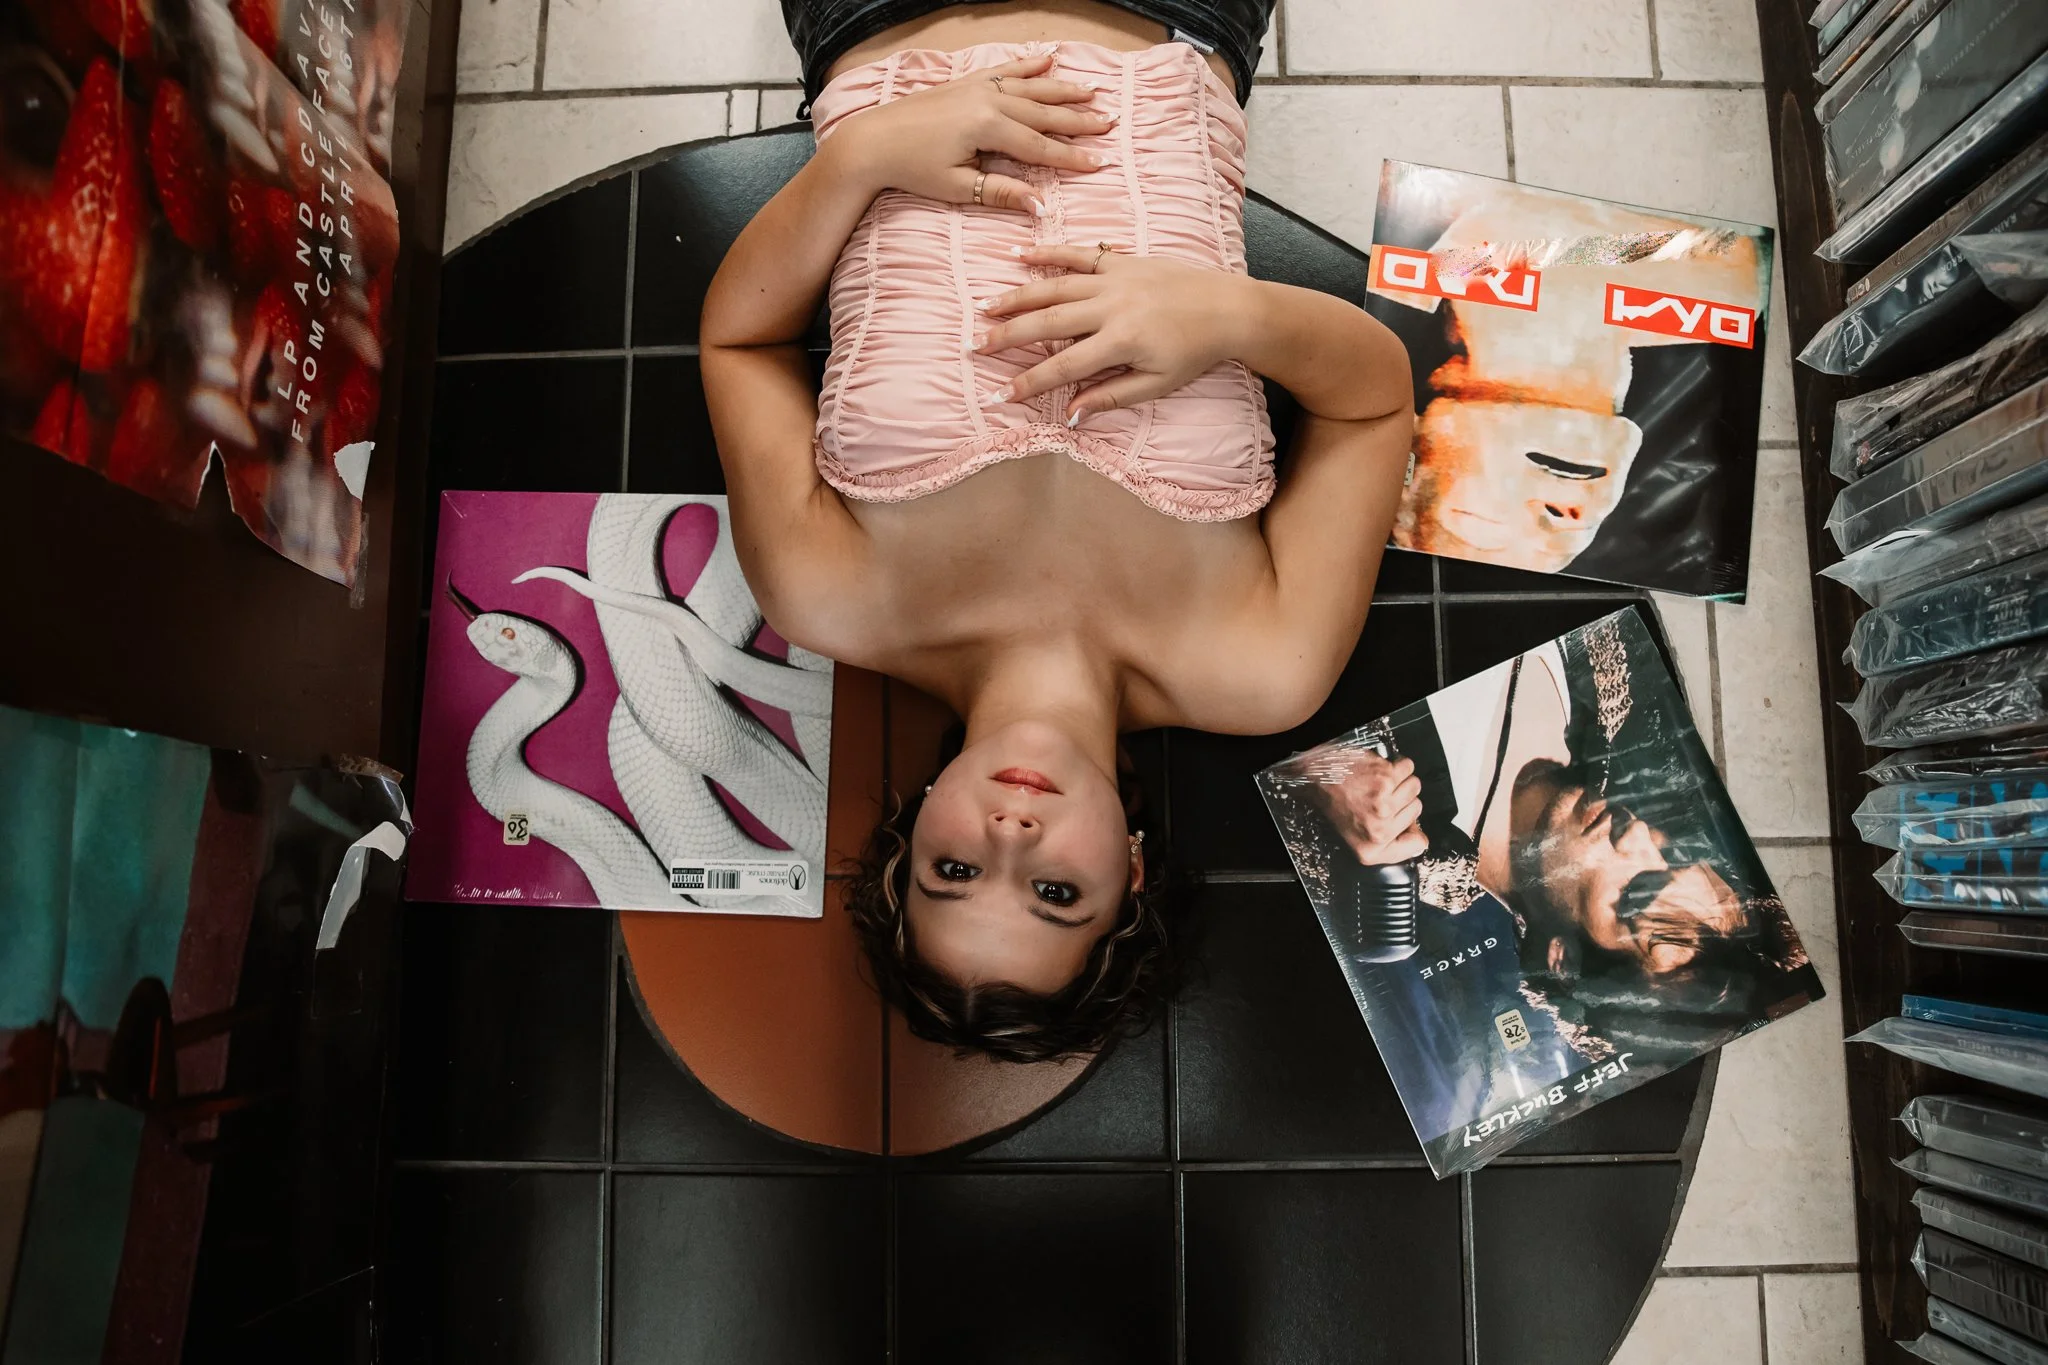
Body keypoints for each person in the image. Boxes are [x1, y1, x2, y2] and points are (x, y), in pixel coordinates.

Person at [702, 0, 1414, 1061]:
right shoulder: (1262, 666)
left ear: (902, 846)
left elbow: (739, 344)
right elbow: (1372, 406)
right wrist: (1231, 318)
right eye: (1053, 890)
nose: (1007, 835)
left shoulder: (827, 595)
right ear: (1127, 872)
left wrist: (859, 161)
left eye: (952, 873)